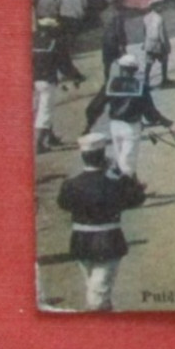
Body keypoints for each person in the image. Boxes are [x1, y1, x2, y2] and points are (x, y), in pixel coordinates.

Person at [56, 131, 148, 311]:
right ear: (103, 156)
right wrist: (122, 176)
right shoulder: (114, 183)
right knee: (98, 295)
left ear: (83, 156)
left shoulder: (71, 184)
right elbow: (136, 199)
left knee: (94, 288)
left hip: (80, 241)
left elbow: (63, 204)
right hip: (108, 240)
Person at [83, 53, 172, 185]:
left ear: (120, 68)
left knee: (120, 158)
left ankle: (132, 184)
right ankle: (125, 192)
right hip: (131, 127)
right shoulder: (140, 87)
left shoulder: (110, 84)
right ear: (135, 70)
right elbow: (150, 112)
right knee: (128, 161)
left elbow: (94, 106)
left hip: (114, 126)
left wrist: (89, 124)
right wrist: (164, 121)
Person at [33, 17, 84, 153]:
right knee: (45, 111)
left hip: (33, 80)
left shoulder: (33, 42)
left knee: (40, 108)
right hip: (47, 80)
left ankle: (51, 137)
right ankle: (39, 144)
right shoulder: (55, 43)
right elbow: (65, 64)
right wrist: (77, 76)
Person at [141, 0, 173, 88]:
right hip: (158, 44)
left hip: (149, 43)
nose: (162, 7)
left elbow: (145, 31)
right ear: (155, 7)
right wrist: (166, 45)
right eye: (160, 6)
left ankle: (146, 82)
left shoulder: (146, 17)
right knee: (164, 60)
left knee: (148, 63)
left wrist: (145, 42)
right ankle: (164, 79)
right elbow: (161, 34)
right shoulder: (160, 18)